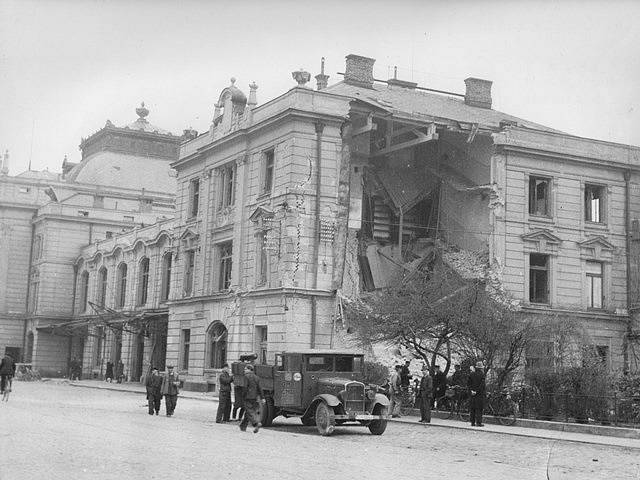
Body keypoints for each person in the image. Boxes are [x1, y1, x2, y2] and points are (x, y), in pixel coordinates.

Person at [239, 364, 264, 433]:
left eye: (245, 369)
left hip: (248, 397)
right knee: (248, 411)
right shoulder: (257, 377)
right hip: (255, 397)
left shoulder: (246, 377)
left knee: (249, 411)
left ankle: (256, 423)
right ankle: (243, 426)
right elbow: (260, 388)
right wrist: (262, 398)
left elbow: (245, 387)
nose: (244, 370)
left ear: (249, 370)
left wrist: (243, 395)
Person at [468, 361, 486, 427]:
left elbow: (468, 384)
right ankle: (478, 422)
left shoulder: (472, 374)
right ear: (481, 368)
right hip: (479, 394)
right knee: (479, 409)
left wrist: (471, 391)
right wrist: (477, 391)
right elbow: (482, 385)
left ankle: (472, 422)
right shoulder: (482, 375)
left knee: (472, 408)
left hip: (472, 394)